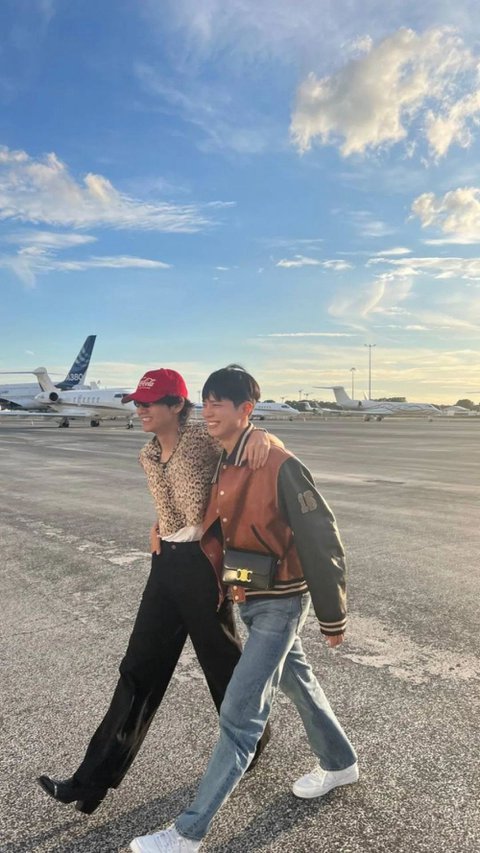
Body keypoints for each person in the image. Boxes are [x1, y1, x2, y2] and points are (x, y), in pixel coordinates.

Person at [130, 365, 358, 853]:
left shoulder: (277, 463)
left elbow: (322, 538)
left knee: (239, 715)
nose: (209, 412)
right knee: (300, 684)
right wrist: (158, 527)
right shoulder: (227, 458)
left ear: (245, 410)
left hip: (280, 602)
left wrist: (331, 615)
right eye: (206, 401)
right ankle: (340, 763)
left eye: (219, 403)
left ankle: (187, 834)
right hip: (247, 596)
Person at [37, 368, 274, 815]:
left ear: (177, 405)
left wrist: (261, 434)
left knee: (222, 667)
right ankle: (91, 781)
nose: (141, 410)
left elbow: (246, 439)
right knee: (138, 669)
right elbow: (172, 506)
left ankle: (253, 742)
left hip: (204, 568)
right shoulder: (147, 454)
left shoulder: (203, 439)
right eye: (138, 403)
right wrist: (159, 527)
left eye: (150, 403)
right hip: (165, 565)